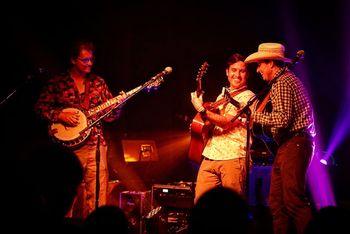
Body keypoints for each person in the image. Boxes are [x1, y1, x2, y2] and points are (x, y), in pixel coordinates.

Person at [34, 39, 127, 218]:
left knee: (98, 198)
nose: (89, 63)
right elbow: (39, 108)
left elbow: (110, 116)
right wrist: (59, 115)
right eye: (85, 60)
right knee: (64, 195)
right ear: (72, 60)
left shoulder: (98, 83)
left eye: (91, 59)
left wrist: (119, 106)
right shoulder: (58, 83)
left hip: (95, 146)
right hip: (67, 151)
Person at [245, 42, 316, 234]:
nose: (258, 70)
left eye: (260, 64)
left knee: (293, 201)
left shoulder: (282, 82)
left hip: (296, 142)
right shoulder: (281, 81)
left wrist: (254, 116)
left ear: (271, 63)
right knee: (277, 204)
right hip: (289, 145)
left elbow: (283, 120)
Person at [190, 53, 255, 204]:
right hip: (210, 155)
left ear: (247, 74)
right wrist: (202, 122)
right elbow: (211, 123)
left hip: (233, 157)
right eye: (233, 70)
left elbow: (226, 122)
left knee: (232, 208)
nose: (237, 75)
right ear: (227, 72)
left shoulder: (248, 97)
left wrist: (202, 110)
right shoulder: (222, 95)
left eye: (242, 71)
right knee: (201, 205)